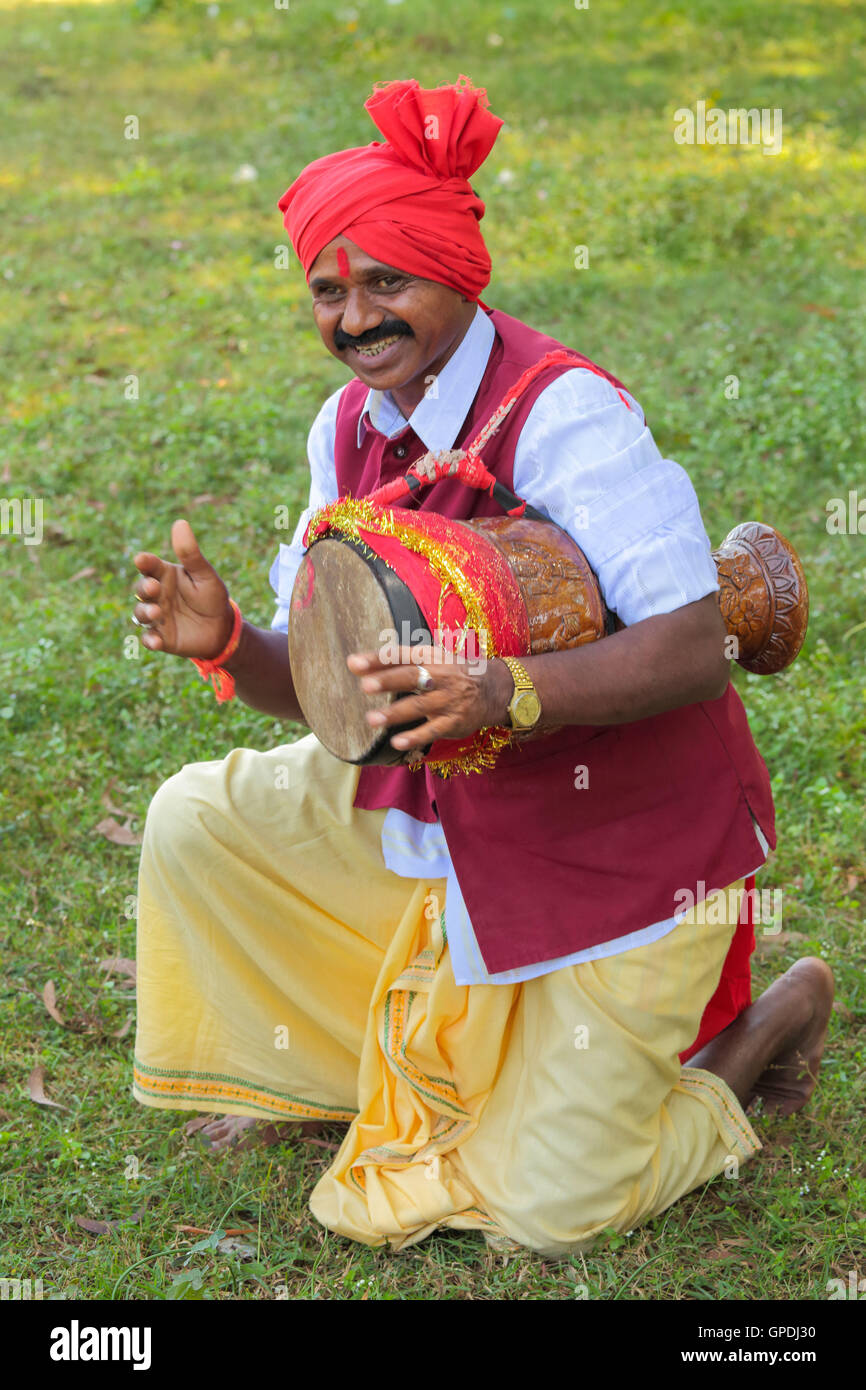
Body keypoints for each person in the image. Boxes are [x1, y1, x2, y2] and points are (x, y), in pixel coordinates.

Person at [130, 77, 833, 1255]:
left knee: (545, 1214)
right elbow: (332, 690)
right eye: (326, 289)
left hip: (617, 845)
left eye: (385, 281)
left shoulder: (566, 416)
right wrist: (233, 645)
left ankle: (752, 1034)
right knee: (196, 821)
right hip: (442, 813)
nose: (354, 316)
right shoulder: (343, 427)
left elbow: (698, 644)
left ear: (457, 272)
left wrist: (510, 691)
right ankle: (320, 1069)